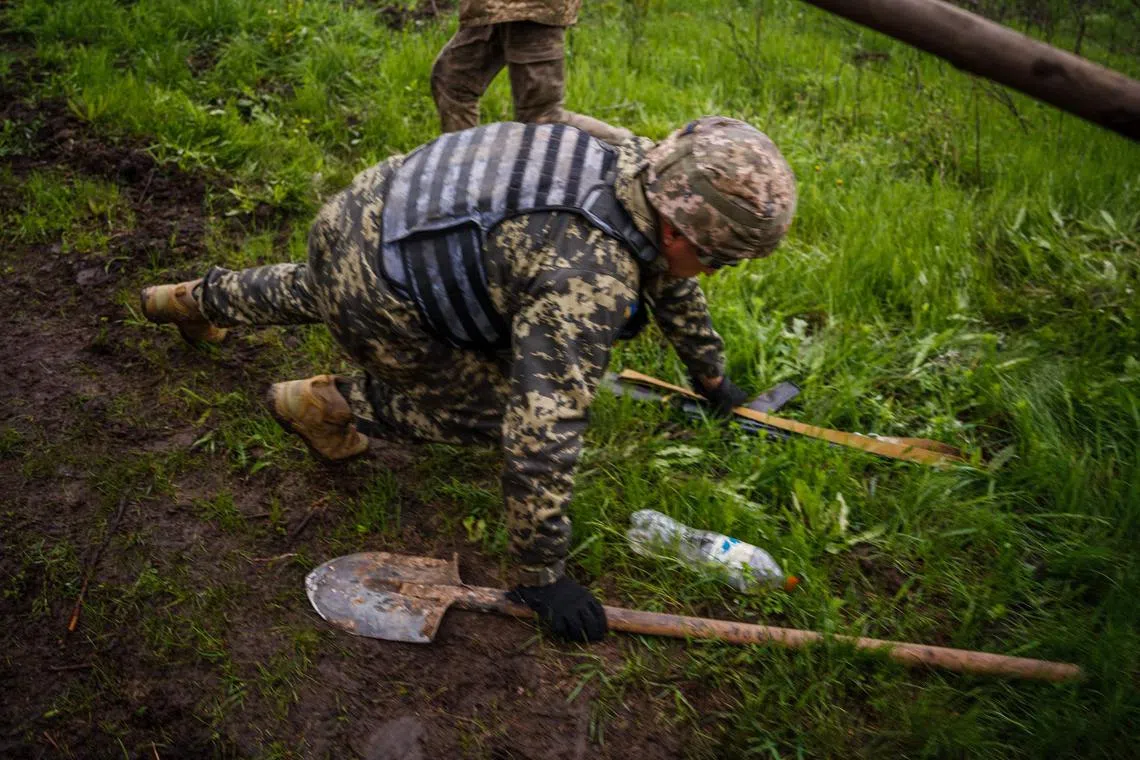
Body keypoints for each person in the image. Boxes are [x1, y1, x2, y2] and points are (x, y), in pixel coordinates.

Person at [139, 116, 797, 643]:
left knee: (316, 285)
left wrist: (712, 380)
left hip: (373, 209)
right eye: (716, 257)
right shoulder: (591, 277)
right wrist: (542, 575)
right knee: (489, 410)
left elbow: (670, 279)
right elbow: (542, 428)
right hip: (386, 285)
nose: (713, 271)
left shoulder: (634, 161)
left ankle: (182, 301)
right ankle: (327, 405)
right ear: (681, 223)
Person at [430, 0, 632, 144]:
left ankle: (631, 149)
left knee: (542, 116)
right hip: (493, 8)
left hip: (530, 9)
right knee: (453, 82)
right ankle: (464, 171)